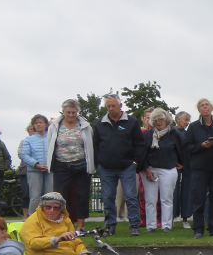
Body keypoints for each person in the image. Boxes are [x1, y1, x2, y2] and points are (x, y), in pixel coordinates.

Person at [93, 94, 142, 235]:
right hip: (106, 167)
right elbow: (96, 145)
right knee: (108, 197)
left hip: (127, 166)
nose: (111, 108)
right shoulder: (100, 123)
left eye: (113, 105)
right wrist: (98, 163)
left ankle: (134, 225)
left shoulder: (131, 122)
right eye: (108, 106)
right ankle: (110, 225)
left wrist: (135, 162)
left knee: (130, 196)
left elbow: (139, 143)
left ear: (120, 105)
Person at [45, 100, 96, 225]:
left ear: (77, 112)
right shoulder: (54, 126)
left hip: (81, 165)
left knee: (82, 196)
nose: (71, 115)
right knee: (59, 196)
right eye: (68, 112)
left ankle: (80, 226)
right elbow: (50, 145)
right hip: (61, 164)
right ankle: (61, 224)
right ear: (63, 111)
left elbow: (89, 145)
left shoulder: (85, 126)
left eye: (73, 112)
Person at [183, 101, 213, 237]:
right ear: (199, 110)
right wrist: (201, 146)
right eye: (202, 105)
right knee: (199, 199)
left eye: (207, 105)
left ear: (212, 108)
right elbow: (187, 147)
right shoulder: (193, 127)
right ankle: (198, 229)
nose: (205, 107)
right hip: (200, 168)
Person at [140, 109, 181, 231]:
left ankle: (167, 225)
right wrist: (146, 169)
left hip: (168, 169)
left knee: (166, 198)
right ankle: (151, 226)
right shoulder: (148, 135)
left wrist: (182, 164)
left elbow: (181, 150)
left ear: (166, 120)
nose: (159, 122)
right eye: (156, 120)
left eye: (161, 119)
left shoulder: (174, 133)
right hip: (150, 169)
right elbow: (142, 153)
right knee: (150, 199)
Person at [17, 115, 49, 216]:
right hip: (34, 171)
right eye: (36, 123)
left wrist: (50, 165)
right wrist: (36, 164)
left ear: (46, 124)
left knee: (50, 196)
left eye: (41, 122)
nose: (39, 124)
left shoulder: (52, 137)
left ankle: (50, 219)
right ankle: (32, 220)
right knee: (35, 197)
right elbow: (24, 155)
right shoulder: (28, 139)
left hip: (50, 171)